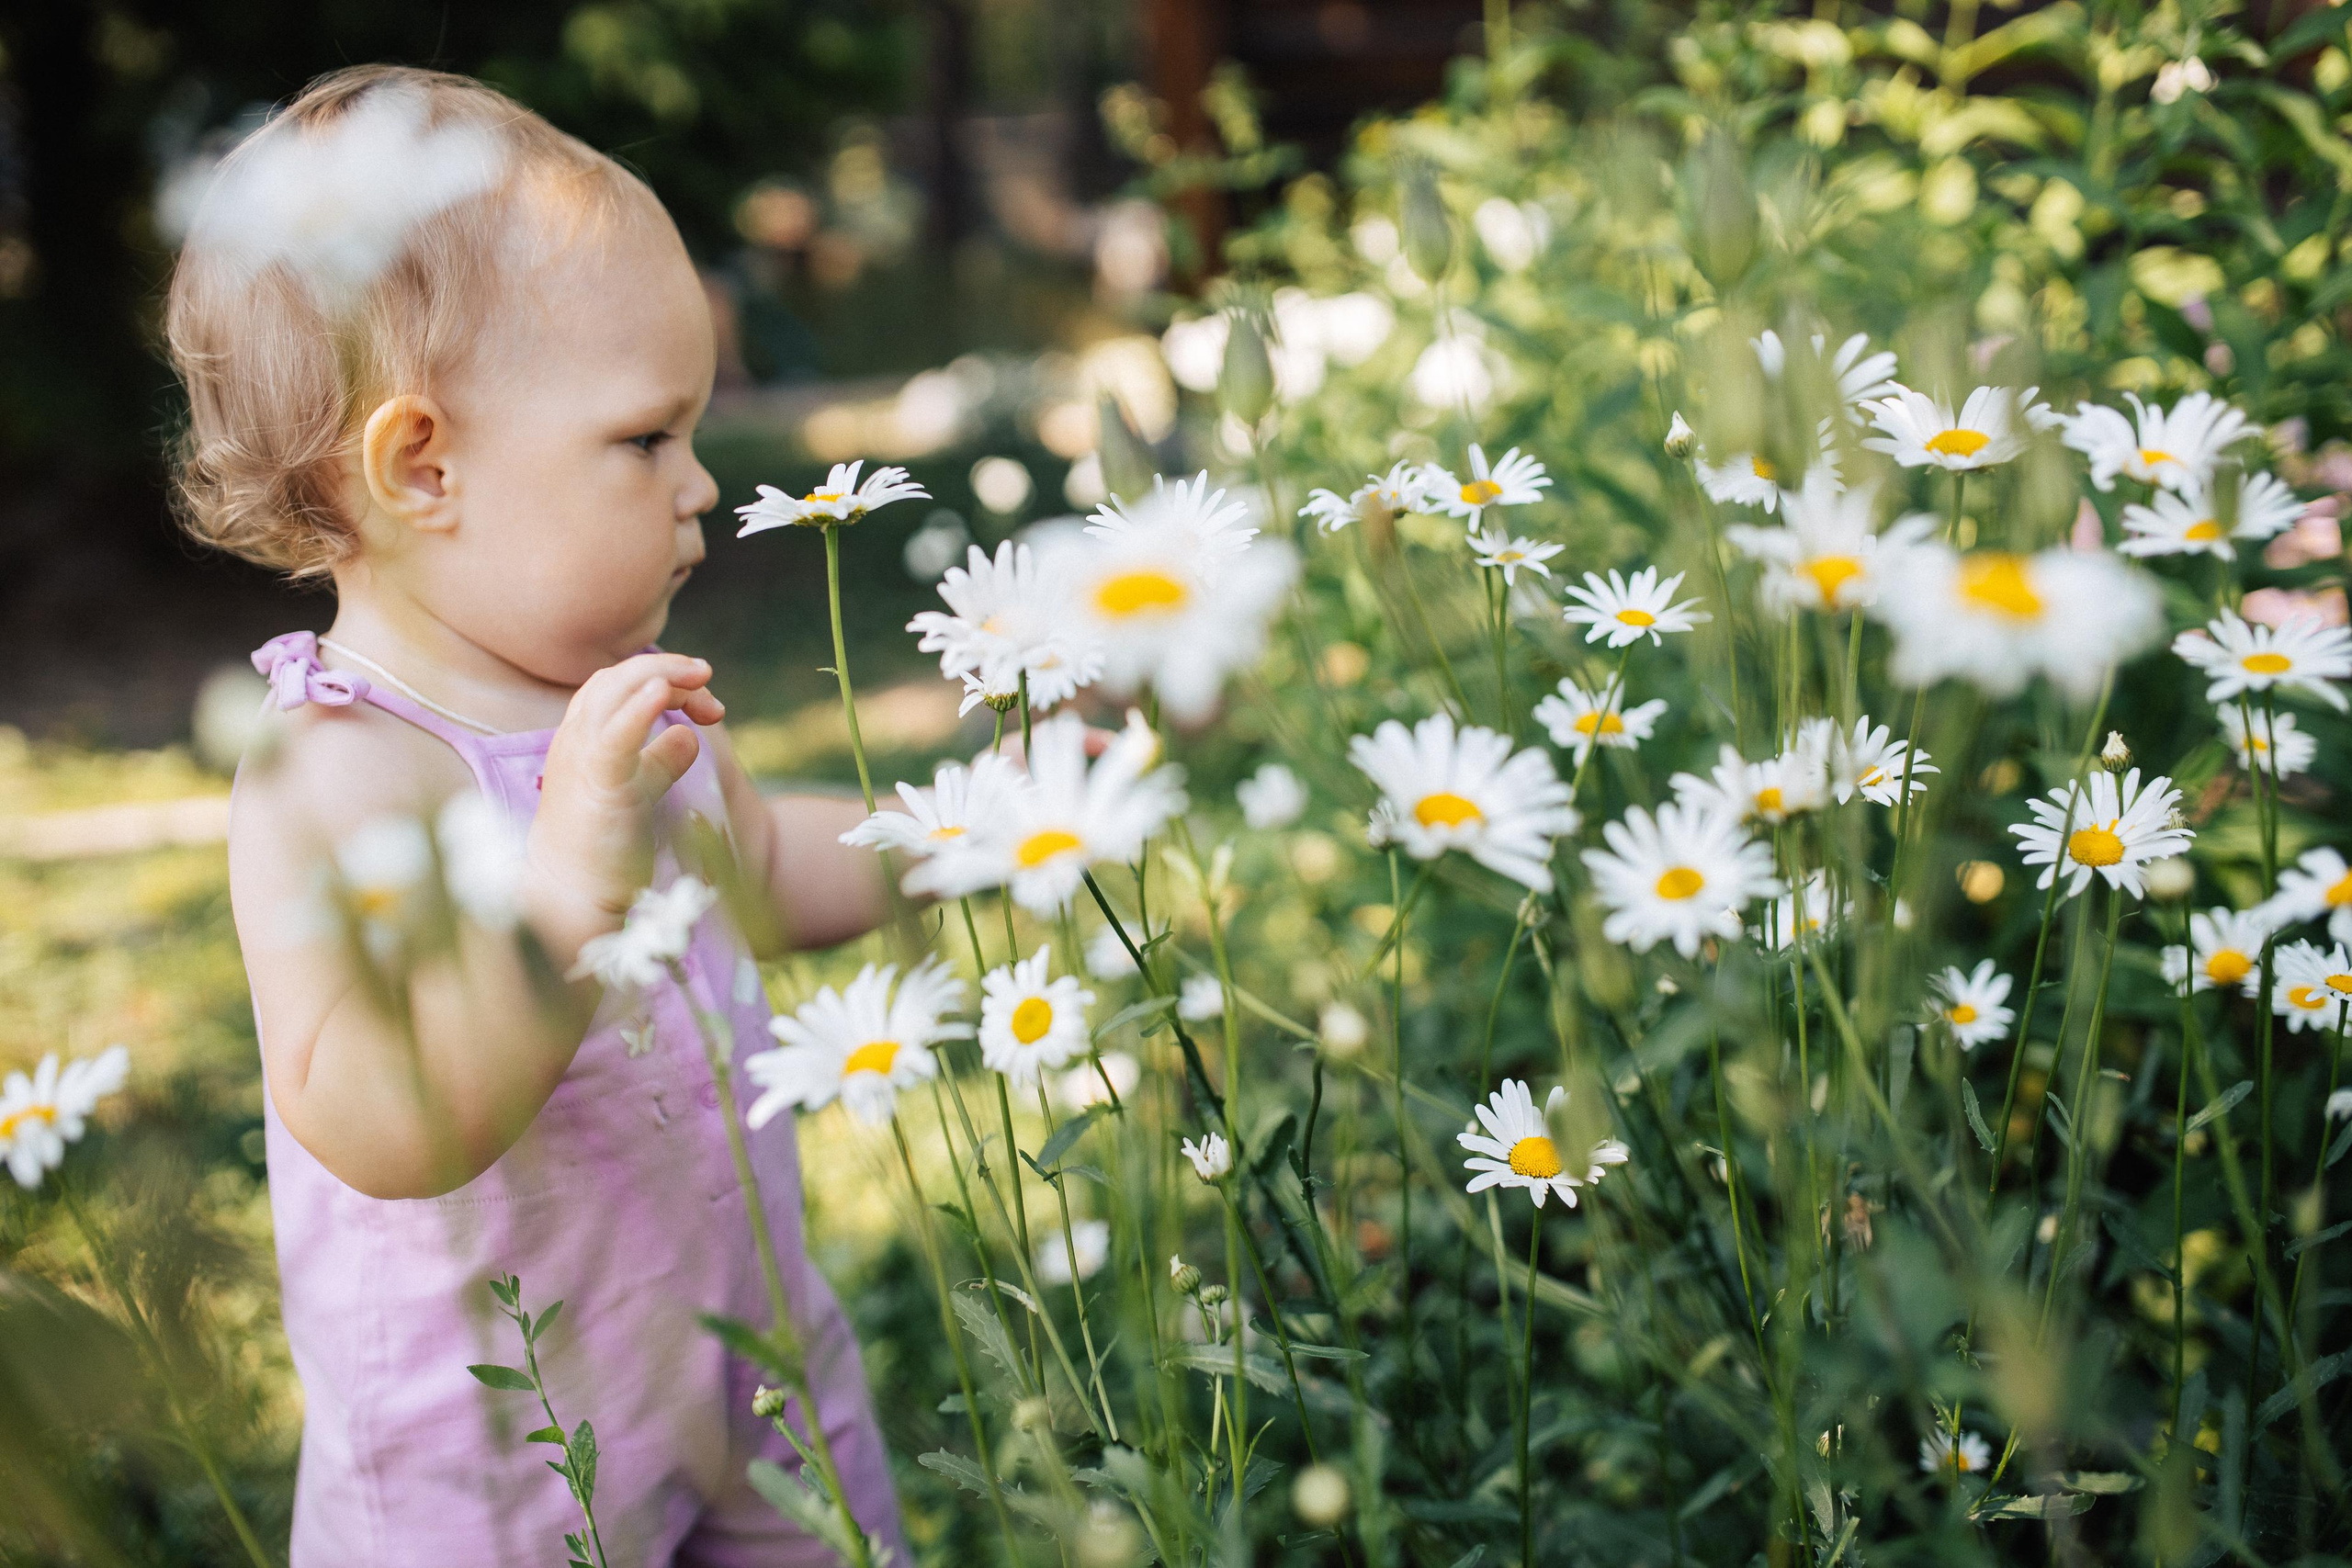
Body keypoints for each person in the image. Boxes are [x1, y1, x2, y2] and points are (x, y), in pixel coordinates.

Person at [166, 64, 902, 1565]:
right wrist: (563, 891)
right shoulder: (339, 769)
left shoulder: (623, 690)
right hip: (496, 1466)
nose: (701, 487)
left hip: (745, 1358)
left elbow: (755, 865)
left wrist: (976, 826)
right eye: (646, 441)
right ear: (421, 465)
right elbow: (380, 1116)